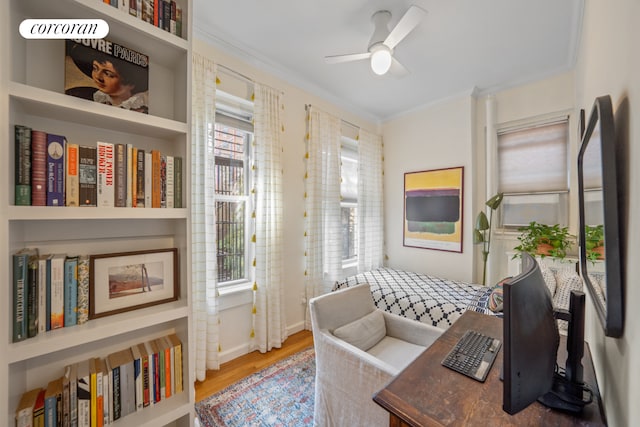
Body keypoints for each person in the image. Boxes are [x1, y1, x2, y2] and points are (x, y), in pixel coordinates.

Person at [65, 40, 149, 114]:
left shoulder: (143, 109)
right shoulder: (83, 95)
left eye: (108, 74)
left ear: (130, 82)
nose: (98, 76)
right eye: (95, 68)